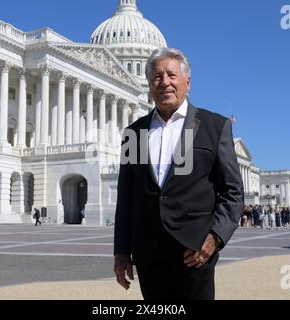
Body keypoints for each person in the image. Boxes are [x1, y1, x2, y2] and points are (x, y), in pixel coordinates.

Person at [114, 48, 244, 300]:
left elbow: (233, 192)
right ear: (149, 84)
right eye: (157, 77)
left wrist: (215, 238)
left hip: (195, 251)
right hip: (148, 253)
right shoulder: (134, 133)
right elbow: (126, 198)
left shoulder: (213, 126)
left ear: (187, 82)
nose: (164, 83)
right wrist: (121, 251)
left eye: (171, 75)